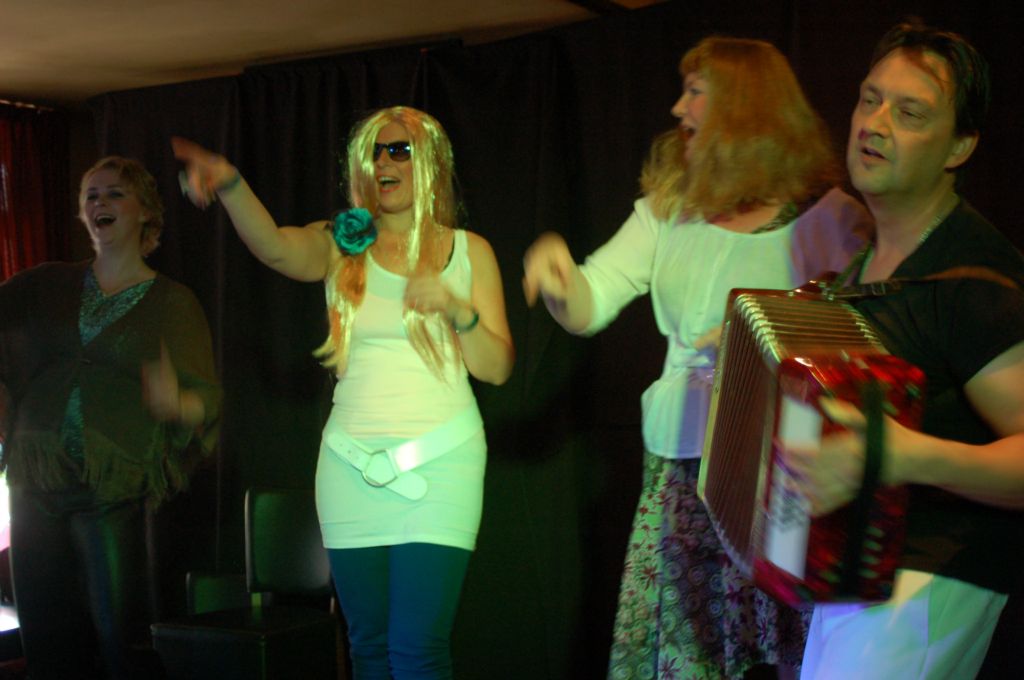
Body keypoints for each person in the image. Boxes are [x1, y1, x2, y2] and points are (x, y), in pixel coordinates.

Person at [522, 36, 870, 680]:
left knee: (781, 653)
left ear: (743, 106)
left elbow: (861, 345)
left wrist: (756, 345)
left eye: (695, 92)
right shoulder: (669, 211)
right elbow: (590, 301)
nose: (678, 108)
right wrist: (559, 278)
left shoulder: (830, 220)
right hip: (682, 469)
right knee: (689, 653)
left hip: (778, 474)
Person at [173, 105, 514, 680]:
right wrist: (230, 184)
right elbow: (275, 247)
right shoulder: (343, 243)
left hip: (441, 465)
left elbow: (497, 368)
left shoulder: (468, 250)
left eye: (399, 149)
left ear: (430, 163)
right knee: (368, 648)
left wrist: (459, 312)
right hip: (349, 467)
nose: (385, 162)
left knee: (418, 650)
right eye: (375, 152)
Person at [789, 22, 1024, 680]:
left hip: (930, 580)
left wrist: (901, 455)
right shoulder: (858, 271)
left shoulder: (974, 281)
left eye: (910, 112)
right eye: (870, 100)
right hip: (856, 576)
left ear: (960, 146)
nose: (875, 123)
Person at [0, 156, 222, 679]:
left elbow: (207, 402)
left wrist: (177, 403)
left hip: (110, 491)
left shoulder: (172, 303)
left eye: (114, 193)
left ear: (145, 211)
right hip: (36, 483)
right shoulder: (45, 284)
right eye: (91, 195)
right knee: (47, 642)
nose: (100, 202)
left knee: (123, 639)